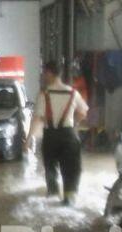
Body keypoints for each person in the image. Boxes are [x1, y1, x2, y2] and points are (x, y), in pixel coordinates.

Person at [25, 61, 89, 205]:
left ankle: (53, 194)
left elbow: (36, 119)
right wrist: (74, 124)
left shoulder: (44, 94)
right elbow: (84, 112)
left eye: (44, 73)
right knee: (72, 170)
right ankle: (69, 199)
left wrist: (28, 139)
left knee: (50, 169)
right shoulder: (73, 93)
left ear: (49, 73)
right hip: (69, 136)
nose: (43, 76)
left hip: (51, 137)